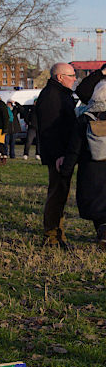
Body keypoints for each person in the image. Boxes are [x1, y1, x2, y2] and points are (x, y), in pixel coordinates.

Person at [60, 73, 106, 250]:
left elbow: (74, 148)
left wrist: (66, 170)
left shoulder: (84, 119)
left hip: (91, 170)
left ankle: (102, 230)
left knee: (97, 205)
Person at [35, 62, 78, 249]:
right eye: (72, 75)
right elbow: (50, 130)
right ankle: (52, 236)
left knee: (61, 193)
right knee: (57, 194)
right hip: (58, 156)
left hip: (62, 153)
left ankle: (57, 234)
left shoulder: (58, 94)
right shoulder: (53, 96)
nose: (75, 79)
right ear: (60, 77)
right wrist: (59, 154)